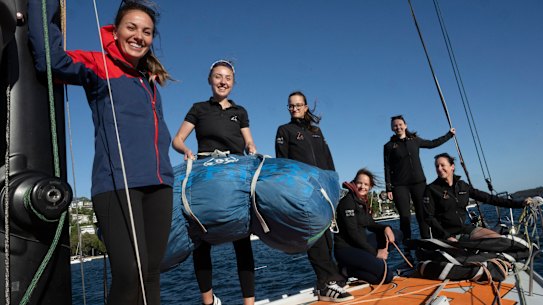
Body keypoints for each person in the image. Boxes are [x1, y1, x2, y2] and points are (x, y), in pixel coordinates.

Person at [28, 1, 174, 304]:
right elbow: (50, 60)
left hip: (160, 184)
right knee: (130, 273)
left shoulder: (148, 80)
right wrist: (40, 6)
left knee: (150, 274)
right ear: (115, 31)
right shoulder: (98, 64)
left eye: (146, 32)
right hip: (117, 184)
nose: (139, 36)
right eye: (131, 27)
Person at [172, 60, 256, 305]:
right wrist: (186, 150)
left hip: (234, 174)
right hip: (205, 173)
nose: (223, 81)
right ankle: (208, 302)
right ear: (210, 80)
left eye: (228, 77)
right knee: (201, 241)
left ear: (233, 82)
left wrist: (251, 146)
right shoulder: (198, 109)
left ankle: (248, 303)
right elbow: (177, 139)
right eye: (218, 77)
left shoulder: (239, 112)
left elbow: (248, 141)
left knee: (242, 242)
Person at [275, 91, 353, 302]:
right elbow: (283, 164)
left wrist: (334, 186)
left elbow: (328, 161)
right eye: (291, 105)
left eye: (298, 105)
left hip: (325, 191)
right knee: (316, 236)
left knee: (328, 237)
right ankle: (325, 282)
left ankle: (331, 279)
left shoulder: (316, 131)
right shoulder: (284, 131)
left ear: (306, 107)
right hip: (304, 191)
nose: (294, 108)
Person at [423, 153, 532, 241]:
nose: (439, 168)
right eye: (437, 166)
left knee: (498, 240)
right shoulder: (432, 189)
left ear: (452, 167)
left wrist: (519, 203)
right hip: (446, 234)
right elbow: (429, 217)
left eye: (442, 165)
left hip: (464, 229)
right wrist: (446, 236)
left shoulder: (462, 186)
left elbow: (489, 198)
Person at [383, 115, 455, 245]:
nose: (398, 127)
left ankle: (427, 242)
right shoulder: (389, 146)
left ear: (405, 125)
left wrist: (449, 135)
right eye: (395, 125)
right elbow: (387, 167)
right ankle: (407, 246)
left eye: (400, 124)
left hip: (419, 183)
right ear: (392, 128)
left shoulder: (415, 140)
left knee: (422, 215)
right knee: (405, 217)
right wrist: (388, 187)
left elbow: (433, 143)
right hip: (400, 185)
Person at [334, 169, 402, 284]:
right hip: (346, 249)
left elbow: (371, 224)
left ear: (370, 187)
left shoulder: (362, 202)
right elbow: (353, 234)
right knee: (387, 277)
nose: (362, 187)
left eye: (366, 184)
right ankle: (347, 270)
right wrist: (376, 253)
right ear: (354, 183)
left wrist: (386, 228)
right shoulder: (348, 202)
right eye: (360, 183)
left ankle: (369, 264)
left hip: (360, 245)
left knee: (397, 234)